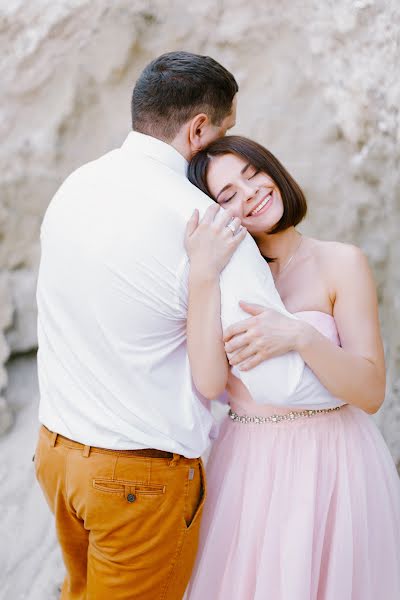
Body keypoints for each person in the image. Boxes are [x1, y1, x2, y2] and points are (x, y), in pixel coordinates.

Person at [34, 51, 323, 600]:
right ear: (197, 128)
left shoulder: (76, 186)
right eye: (224, 131)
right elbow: (275, 378)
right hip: (136, 479)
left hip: (57, 455)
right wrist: (351, 386)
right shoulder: (208, 225)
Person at [184, 136, 400, 600]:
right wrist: (202, 275)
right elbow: (208, 380)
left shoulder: (340, 261)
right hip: (249, 461)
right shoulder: (223, 276)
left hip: (335, 458)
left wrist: (299, 335)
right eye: (227, 196)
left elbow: (371, 390)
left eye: (252, 174)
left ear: (272, 168)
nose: (250, 194)